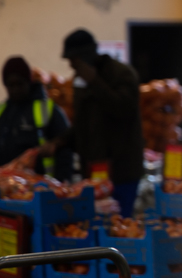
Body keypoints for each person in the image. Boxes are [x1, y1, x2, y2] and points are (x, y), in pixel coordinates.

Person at [43, 29, 144, 215]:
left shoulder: (122, 74)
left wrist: (95, 81)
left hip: (121, 173)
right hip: (93, 172)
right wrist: (60, 142)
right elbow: (82, 124)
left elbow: (123, 109)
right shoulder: (80, 82)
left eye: (74, 60)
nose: (72, 66)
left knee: (118, 226)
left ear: (86, 55)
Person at [0, 56, 73, 180]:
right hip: (4, 190)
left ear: (28, 81)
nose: (15, 90)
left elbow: (66, 149)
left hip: (41, 190)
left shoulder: (48, 110)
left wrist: (60, 186)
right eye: (10, 85)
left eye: (20, 84)